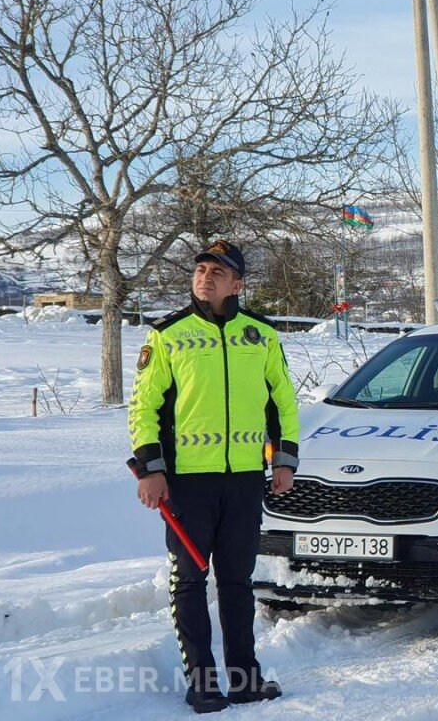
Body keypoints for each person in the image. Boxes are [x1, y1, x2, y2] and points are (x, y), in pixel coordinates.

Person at [128, 240, 300, 713]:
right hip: (186, 484)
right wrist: (151, 470)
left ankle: (245, 680)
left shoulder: (261, 335)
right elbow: (143, 407)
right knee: (188, 581)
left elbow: (282, 402)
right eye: (201, 270)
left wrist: (283, 460)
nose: (206, 277)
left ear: (237, 284)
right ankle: (202, 683)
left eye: (217, 272)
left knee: (237, 583)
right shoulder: (168, 335)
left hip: (244, 479)